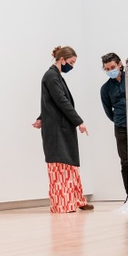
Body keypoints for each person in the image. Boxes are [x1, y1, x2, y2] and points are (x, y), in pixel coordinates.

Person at [32, 46, 94, 213]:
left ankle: (76, 200)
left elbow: (50, 102)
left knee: (70, 165)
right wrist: (79, 121)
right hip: (57, 130)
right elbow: (61, 101)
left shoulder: (55, 76)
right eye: (71, 62)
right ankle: (64, 203)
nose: (72, 66)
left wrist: (40, 118)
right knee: (60, 165)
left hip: (61, 127)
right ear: (62, 59)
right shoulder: (52, 76)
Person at [100, 52, 128, 201]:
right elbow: (108, 111)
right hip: (120, 127)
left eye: (112, 67)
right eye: (107, 68)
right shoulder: (105, 89)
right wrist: (119, 120)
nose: (110, 70)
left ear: (119, 64)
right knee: (125, 162)